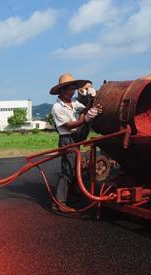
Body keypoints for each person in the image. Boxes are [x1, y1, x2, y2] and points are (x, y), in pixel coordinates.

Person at [49, 74, 101, 213]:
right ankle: (59, 203)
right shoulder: (57, 107)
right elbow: (69, 125)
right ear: (61, 91)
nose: (72, 92)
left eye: (73, 89)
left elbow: (84, 108)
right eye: (69, 89)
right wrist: (87, 118)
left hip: (76, 138)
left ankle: (72, 195)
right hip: (67, 140)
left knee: (75, 168)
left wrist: (91, 100)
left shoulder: (73, 103)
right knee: (67, 171)